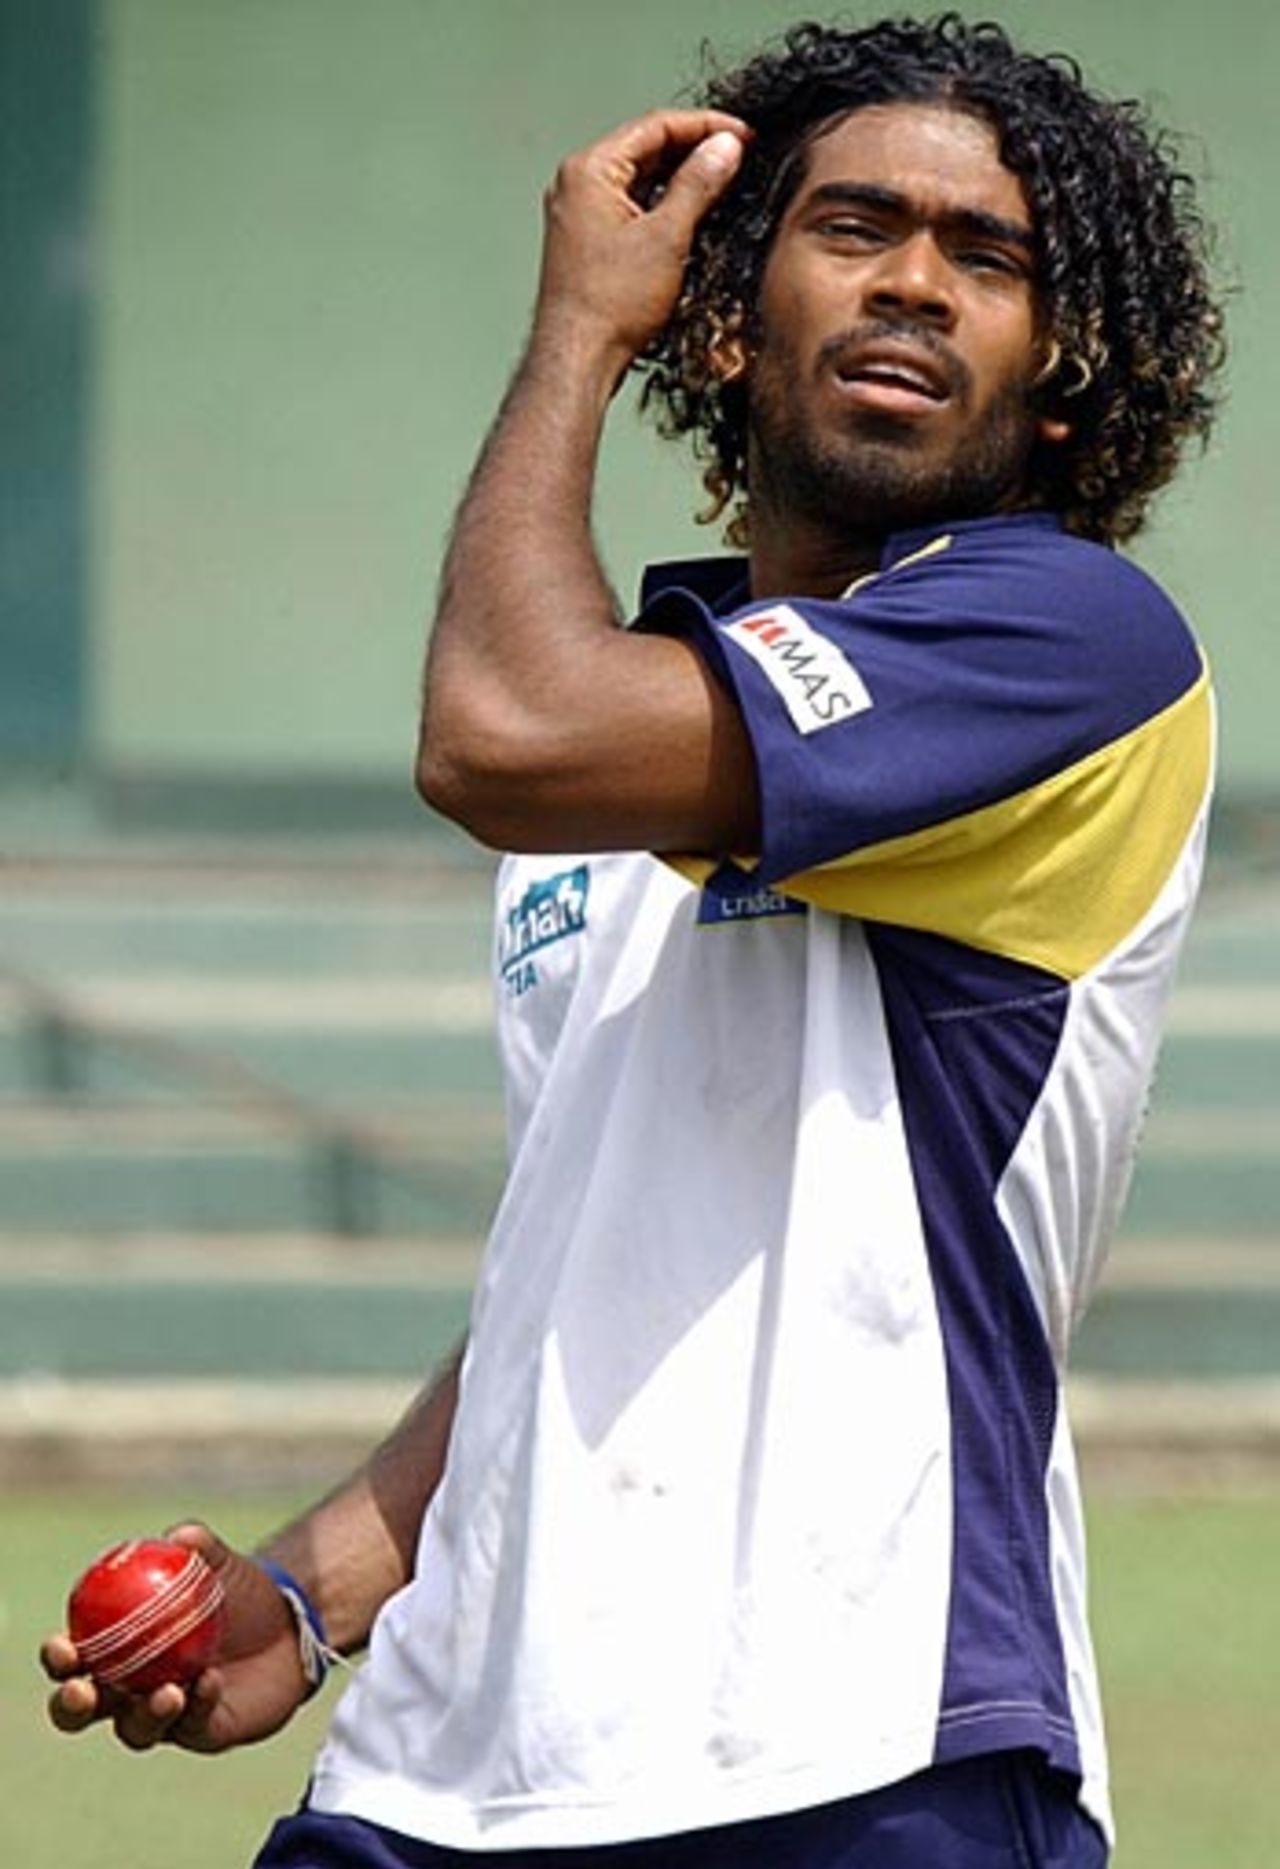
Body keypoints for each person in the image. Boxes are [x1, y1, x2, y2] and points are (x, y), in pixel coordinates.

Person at [43, 15, 1224, 1867]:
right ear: (732, 321)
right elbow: (589, 1263)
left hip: (853, 1759)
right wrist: (320, 1580)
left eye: (986, 257)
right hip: (430, 1780)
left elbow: (496, 732)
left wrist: (580, 329)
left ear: (1060, 379)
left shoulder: (1071, 647)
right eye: (854, 228)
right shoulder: (631, 760)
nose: (915, 280)